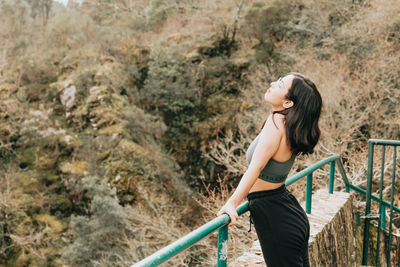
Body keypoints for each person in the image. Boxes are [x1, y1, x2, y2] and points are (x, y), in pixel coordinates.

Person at [217, 72, 322, 267]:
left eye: (280, 84)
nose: (273, 82)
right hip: (285, 210)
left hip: (276, 217)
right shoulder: (284, 122)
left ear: (289, 103)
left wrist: (232, 203)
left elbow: (256, 168)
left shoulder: (277, 123)